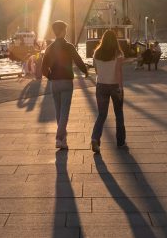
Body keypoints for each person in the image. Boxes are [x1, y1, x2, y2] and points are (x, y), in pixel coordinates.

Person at [40, 20, 89, 150]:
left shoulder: (49, 48)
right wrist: (85, 71)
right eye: (65, 30)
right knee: (65, 113)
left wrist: (51, 77)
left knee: (58, 111)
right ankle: (59, 138)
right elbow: (78, 61)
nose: (66, 32)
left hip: (54, 83)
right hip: (67, 82)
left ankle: (63, 139)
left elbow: (43, 68)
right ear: (62, 31)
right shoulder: (69, 46)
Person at [90, 29, 126, 152]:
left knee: (101, 114)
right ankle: (120, 142)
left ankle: (95, 138)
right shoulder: (118, 53)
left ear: (103, 39)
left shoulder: (96, 53)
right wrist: (120, 88)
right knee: (119, 114)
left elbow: (96, 71)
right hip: (115, 85)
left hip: (101, 85)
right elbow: (119, 72)